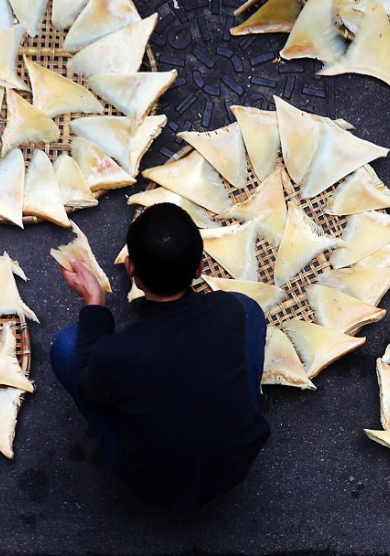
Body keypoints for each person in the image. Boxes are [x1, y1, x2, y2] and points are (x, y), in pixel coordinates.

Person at [51, 203, 271, 512]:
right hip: (235, 464)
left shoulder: (114, 354)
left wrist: (94, 305)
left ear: (130, 269)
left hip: (153, 485)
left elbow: (89, 384)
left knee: (66, 345)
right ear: (199, 268)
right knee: (247, 306)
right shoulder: (227, 312)